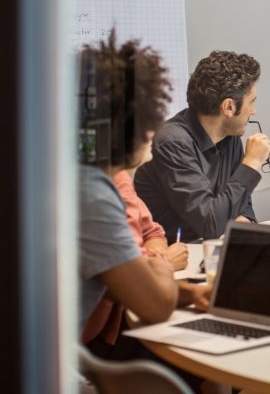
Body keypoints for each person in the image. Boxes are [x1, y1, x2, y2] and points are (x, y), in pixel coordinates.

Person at [78, 32, 212, 348]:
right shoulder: (92, 194)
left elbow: (118, 282)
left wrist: (191, 292)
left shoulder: (69, 178)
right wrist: (162, 264)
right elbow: (156, 306)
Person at [135, 50, 270, 242]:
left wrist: (245, 220)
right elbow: (209, 224)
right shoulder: (172, 143)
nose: (253, 111)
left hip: (210, 247)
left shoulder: (229, 135)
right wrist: (251, 164)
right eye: (251, 102)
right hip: (174, 253)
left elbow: (240, 201)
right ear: (229, 107)